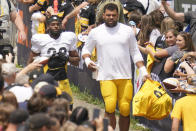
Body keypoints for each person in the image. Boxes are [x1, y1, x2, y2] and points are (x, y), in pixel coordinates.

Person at [82, 3, 149, 131]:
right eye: (108, 15)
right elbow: (86, 49)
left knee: (124, 108)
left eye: (113, 15)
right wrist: (87, 60)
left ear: (118, 15)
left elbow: (135, 52)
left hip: (125, 76)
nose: (111, 17)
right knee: (110, 106)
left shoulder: (127, 31)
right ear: (103, 15)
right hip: (106, 76)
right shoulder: (96, 32)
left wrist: (143, 71)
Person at [28, 15, 80, 109]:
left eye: (58, 24)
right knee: (44, 106)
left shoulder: (68, 37)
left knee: (68, 107)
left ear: (61, 25)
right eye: (53, 24)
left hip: (62, 79)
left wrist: (67, 58)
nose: (56, 26)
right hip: (46, 80)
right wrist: (45, 60)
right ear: (48, 26)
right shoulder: (40, 39)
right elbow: (31, 62)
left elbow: (76, 61)